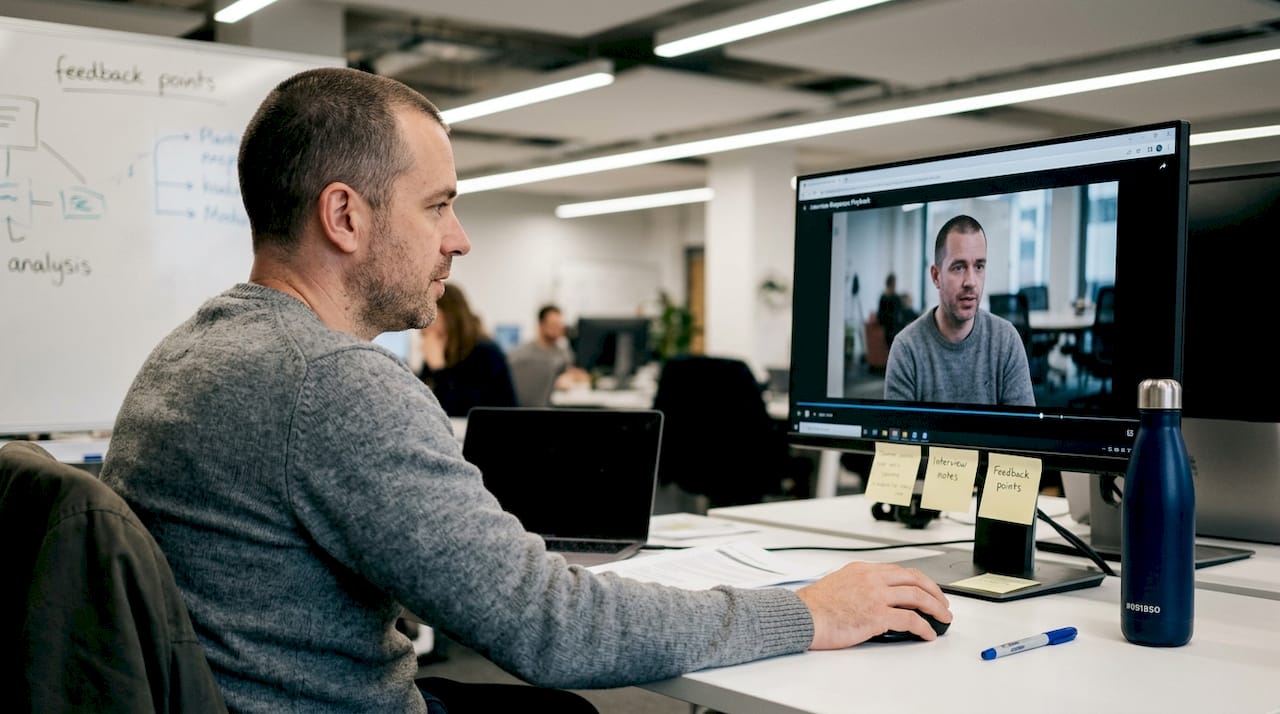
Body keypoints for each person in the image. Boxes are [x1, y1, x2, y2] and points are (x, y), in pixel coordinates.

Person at [100, 66, 951, 713]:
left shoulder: (190, 352)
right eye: (438, 206)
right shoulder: (332, 384)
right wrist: (805, 612)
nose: (459, 240)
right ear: (345, 216)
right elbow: (552, 628)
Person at [884, 214, 1035, 406]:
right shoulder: (907, 349)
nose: (971, 282)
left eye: (979, 266)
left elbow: (1021, 432)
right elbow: (897, 433)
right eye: (958, 267)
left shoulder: (1006, 341)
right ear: (936, 276)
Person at [416, 283, 517, 417]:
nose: (422, 319)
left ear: (448, 314)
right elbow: (421, 404)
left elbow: (461, 410)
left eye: (429, 309)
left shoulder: (484, 353)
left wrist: (438, 369)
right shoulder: (440, 351)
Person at [507, 304, 591, 391]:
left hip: (557, 400)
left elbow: (573, 374)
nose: (559, 328)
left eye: (560, 324)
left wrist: (573, 377)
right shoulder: (520, 354)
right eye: (554, 324)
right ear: (541, 325)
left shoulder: (564, 354)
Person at [876, 272, 916, 349]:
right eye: (894, 284)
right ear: (890, 284)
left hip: (895, 327)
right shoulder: (886, 298)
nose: (895, 286)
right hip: (891, 329)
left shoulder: (895, 297)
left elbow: (902, 311)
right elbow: (881, 317)